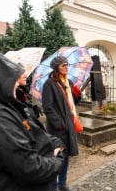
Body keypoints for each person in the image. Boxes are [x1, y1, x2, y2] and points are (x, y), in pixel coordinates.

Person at [0, 48, 65, 191]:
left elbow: (28, 131)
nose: (20, 83)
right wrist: (56, 158)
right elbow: (29, 168)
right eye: (12, 77)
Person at [42, 56, 81, 191]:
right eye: (63, 65)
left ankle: (63, 184)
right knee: (57, 157)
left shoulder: (67, 82)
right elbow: (47, 107)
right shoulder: (49, 84)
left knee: (66, 156)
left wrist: (77, 93)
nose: (66, 67)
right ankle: (53, 187)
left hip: (68, 124)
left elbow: (71, 103)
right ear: (56, 67)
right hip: (57, 128)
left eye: (67, 65)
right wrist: (59, 123)